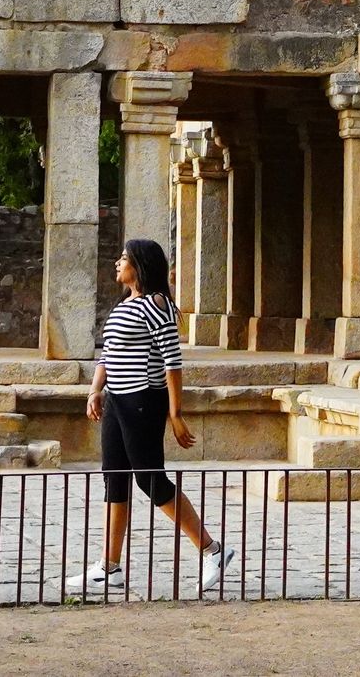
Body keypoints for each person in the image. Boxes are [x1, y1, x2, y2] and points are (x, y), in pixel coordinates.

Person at [66, 237, 235, 596]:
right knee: (114, 479)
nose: (117, 263)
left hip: (144, 401)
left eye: (124, 258)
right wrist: (95, 391)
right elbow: (107, 355)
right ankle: (109, 567)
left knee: (151, 480)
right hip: (116, 401)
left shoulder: (156, 305)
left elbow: (173, 362)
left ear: (139, 266)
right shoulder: (124, 306)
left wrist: (176, 413)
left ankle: (212, 550)